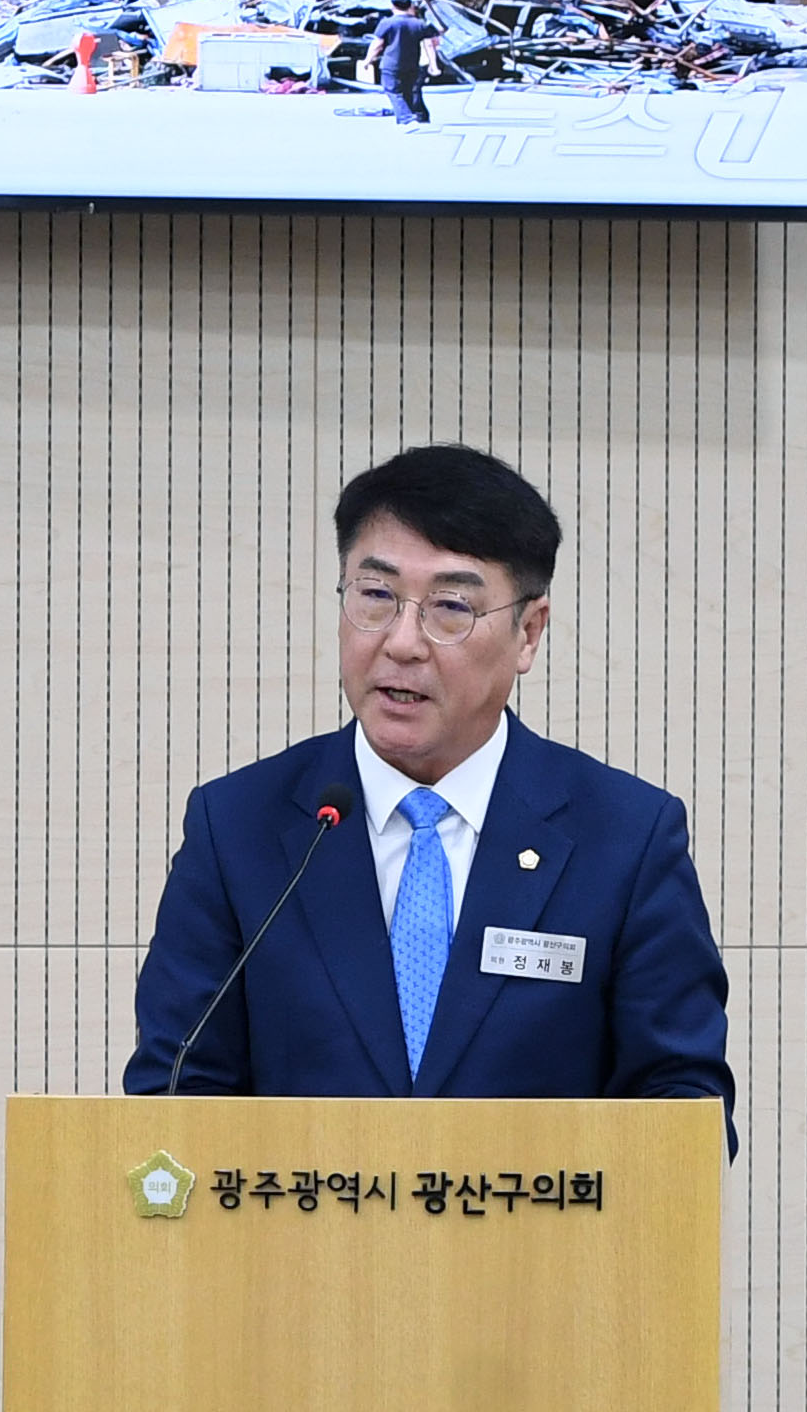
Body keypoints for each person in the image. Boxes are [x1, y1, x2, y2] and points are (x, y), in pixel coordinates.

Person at [128, 444, 731, 1118]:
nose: (402, 642)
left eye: (449, 607)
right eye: (376, 596)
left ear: (528, 633)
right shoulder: (238, 825)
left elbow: (681, 1104)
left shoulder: (623, 837)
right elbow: (177, 1091)